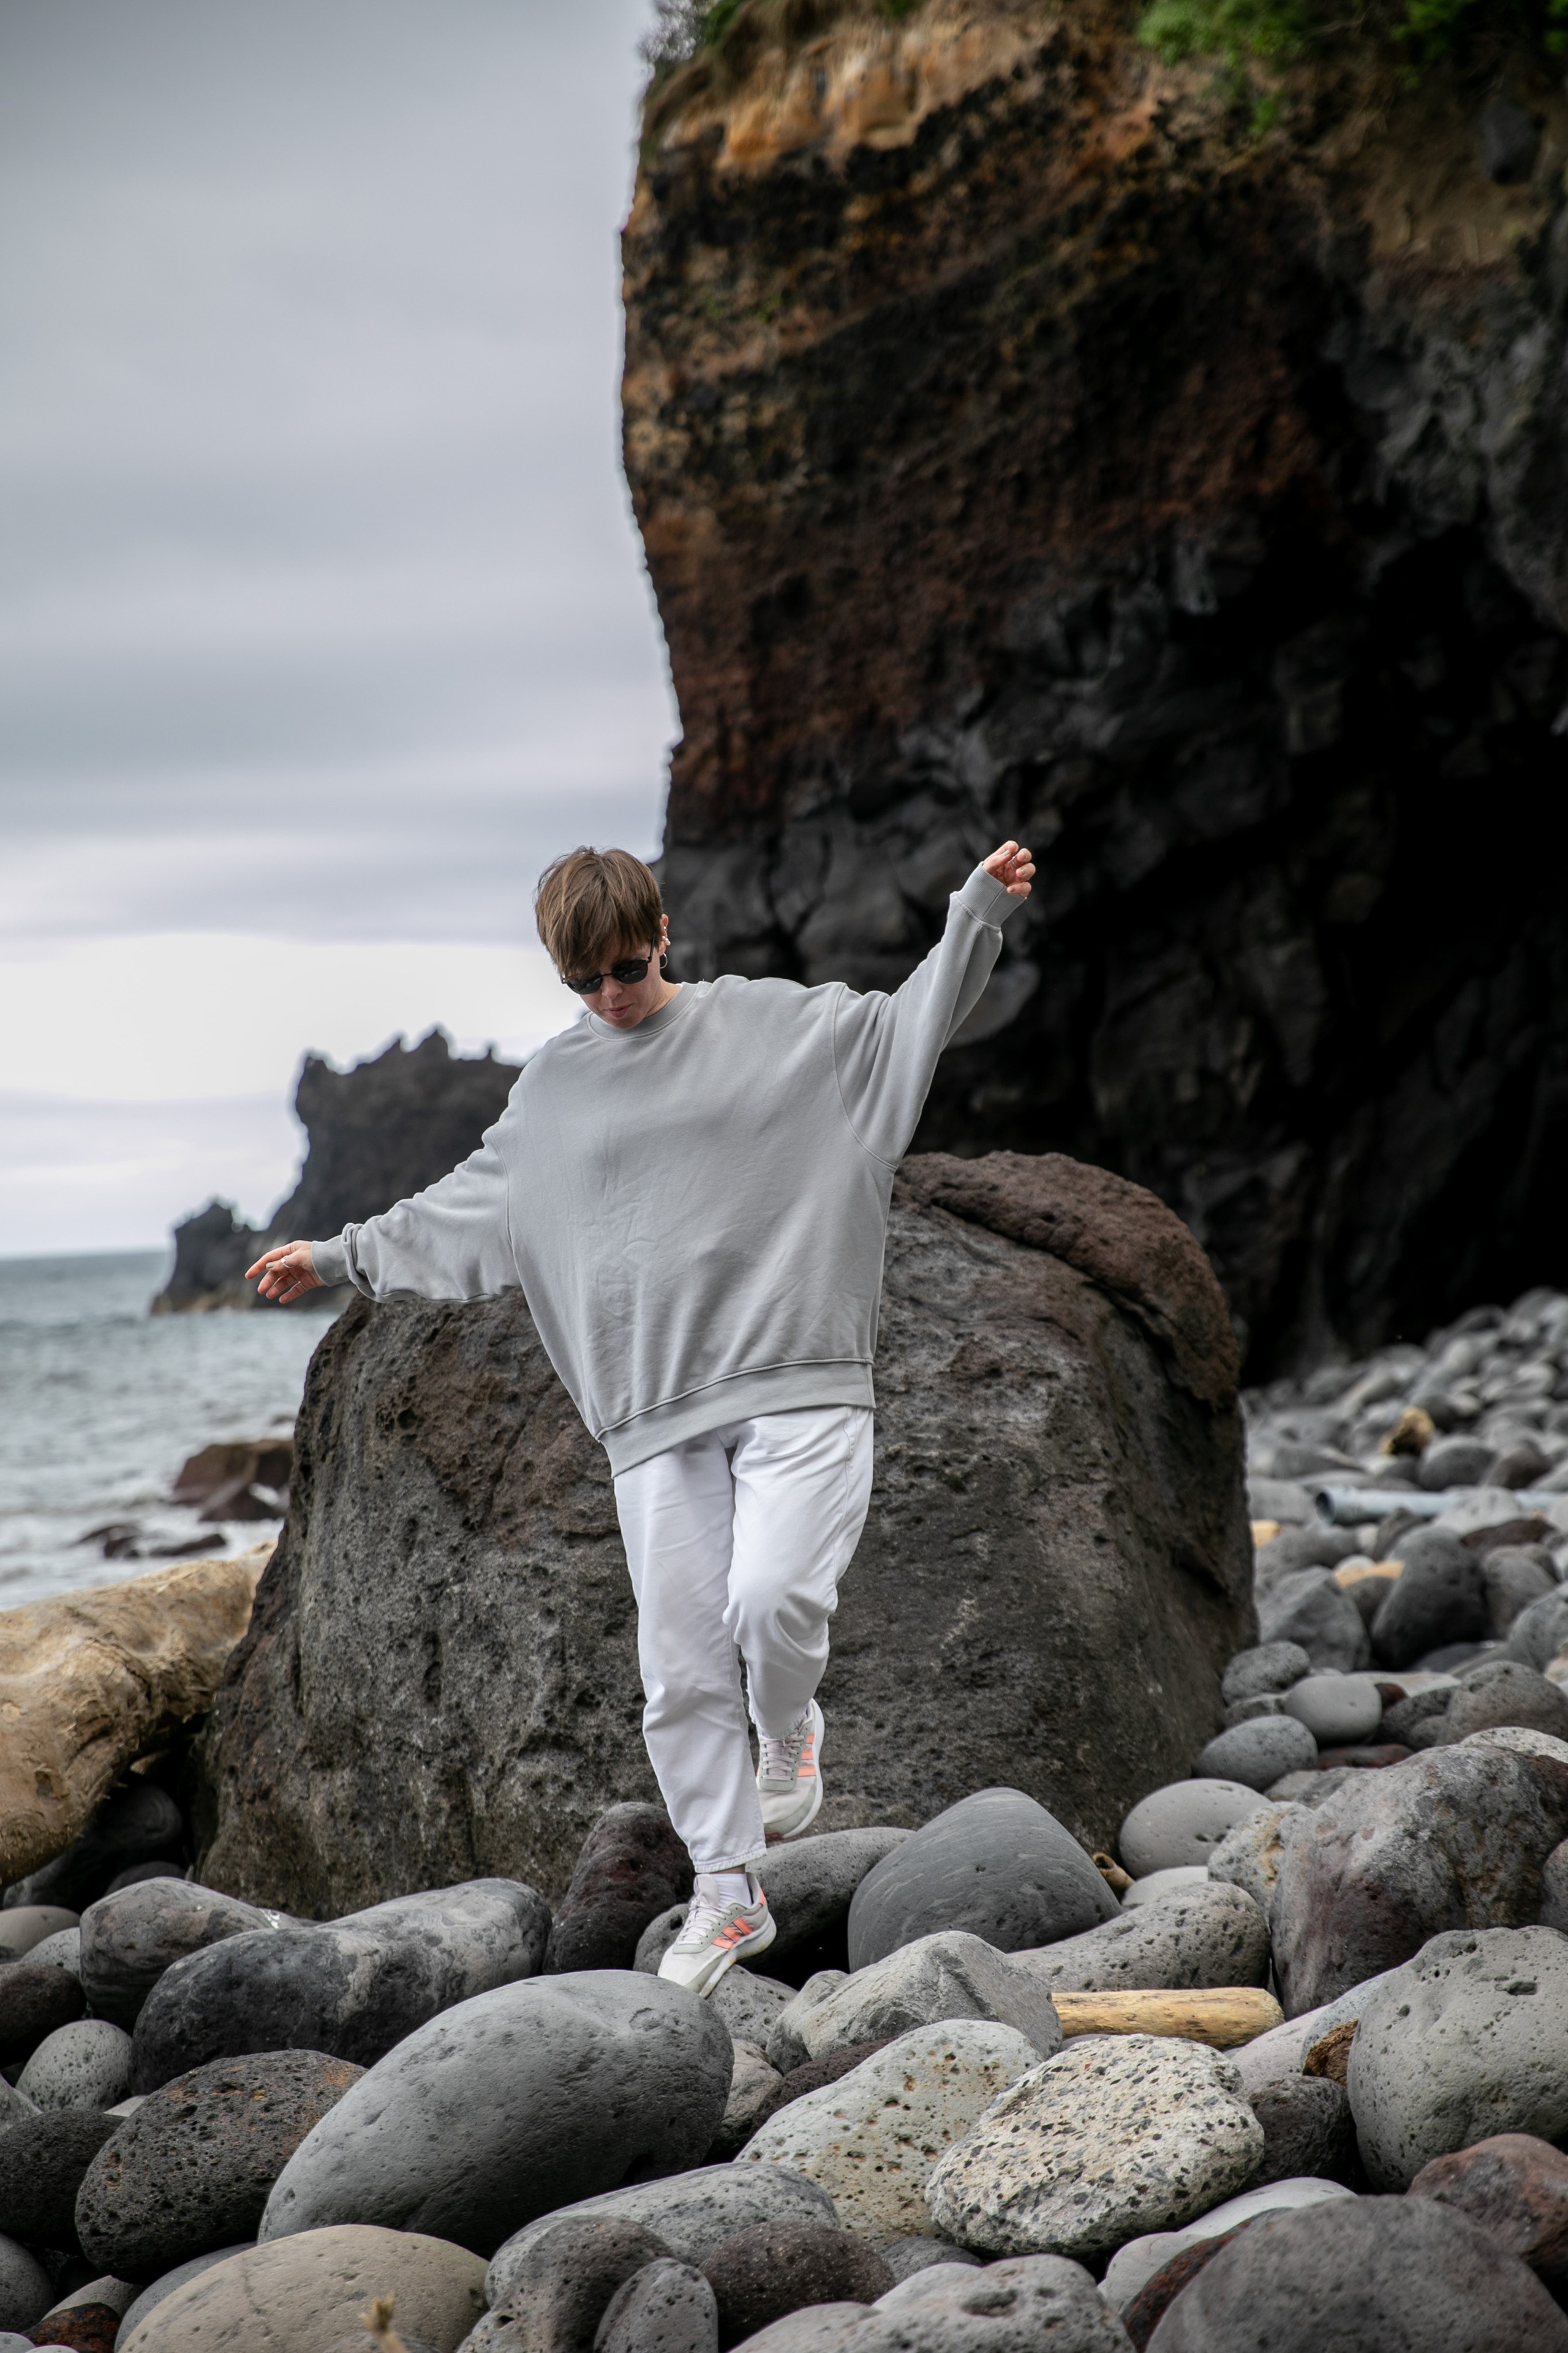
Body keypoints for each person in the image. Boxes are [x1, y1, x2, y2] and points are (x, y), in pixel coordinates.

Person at [248, 837, 1033, 1994]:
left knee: (772, 1603)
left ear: (661, 934)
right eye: (583, 983)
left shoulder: (773, 1024)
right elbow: (462, 1213)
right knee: (677, 1668)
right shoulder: (556, 1090)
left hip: (801, 1376)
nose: (610, 999)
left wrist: (973, 916)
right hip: (653, 1416)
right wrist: (335, 1254)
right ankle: (728, 1896)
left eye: (624, 968)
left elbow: (905, 1027)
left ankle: (790, 1725)